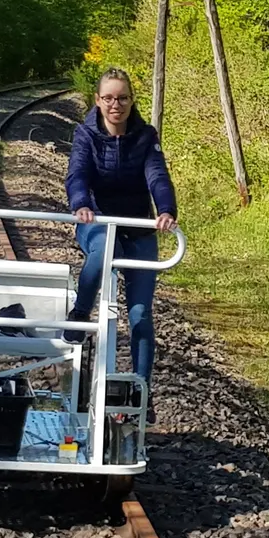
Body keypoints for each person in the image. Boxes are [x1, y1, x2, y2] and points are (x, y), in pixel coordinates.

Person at [65, 68, 178, 405]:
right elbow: (77, 172)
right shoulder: (86, 134)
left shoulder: (145, 136)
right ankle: (81, 312)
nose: (117, 104)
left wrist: (166, 209)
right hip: (98, 220)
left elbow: (157, 174)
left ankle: (142, 394)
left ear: (131, 101)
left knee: (141, 314)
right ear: (98, 101)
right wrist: (82, 204)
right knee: (101, 250)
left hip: (139, 229)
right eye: (110, 98)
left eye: (123, 97)